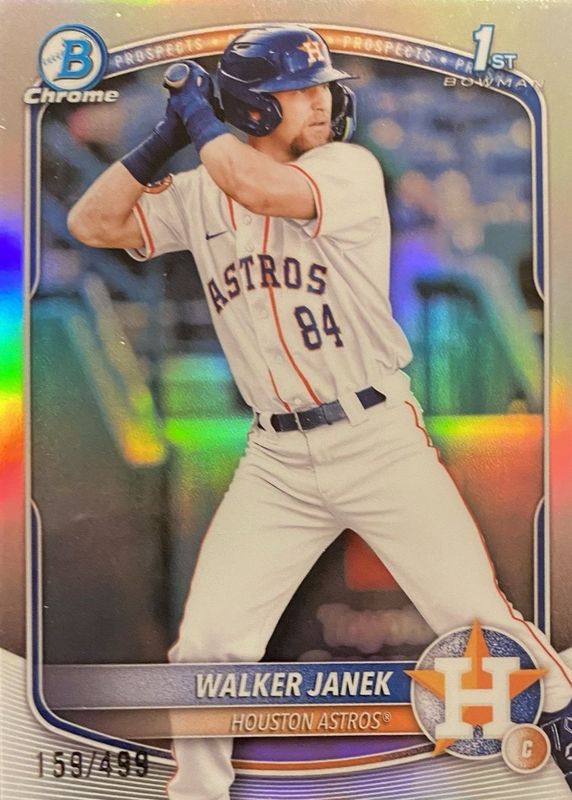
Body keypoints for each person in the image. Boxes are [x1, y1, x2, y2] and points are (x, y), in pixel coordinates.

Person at [68, 24, 572, 798]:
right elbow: (91, 224)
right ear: (253, 108)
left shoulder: (347, 168)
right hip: (275, 460)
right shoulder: (202, 192)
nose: (321, 101)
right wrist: (161, 139)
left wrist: (199, 122)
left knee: (477, 623)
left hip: (376, 439)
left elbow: (260, 190)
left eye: (322, 87)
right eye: (298, 91)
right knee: (206, 645)